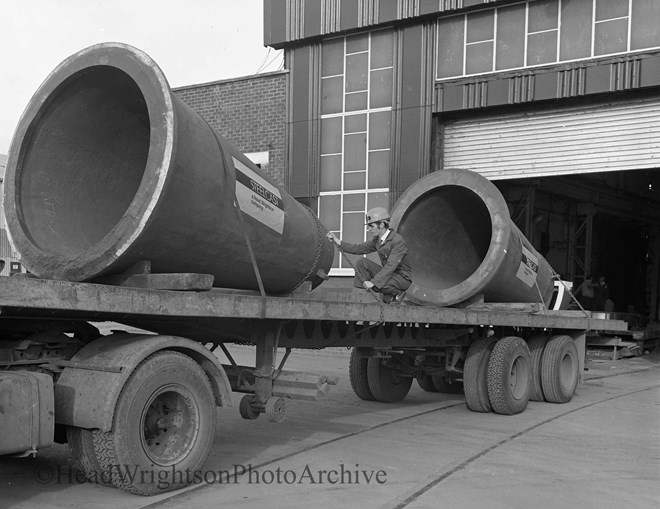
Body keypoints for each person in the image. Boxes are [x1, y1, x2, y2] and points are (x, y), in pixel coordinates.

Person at [327, 207, 412, 303]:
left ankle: (396, 293)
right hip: (389, 276)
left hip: (402, 278)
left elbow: (391, 266)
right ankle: (365, 297)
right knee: (361, 262)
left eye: (371, 226)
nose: (369, 229)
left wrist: (372, 283)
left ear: (382, 224)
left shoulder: (397, 241)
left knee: (377, 284)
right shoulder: (377, 240)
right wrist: (337, 241)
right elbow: (358, 248)